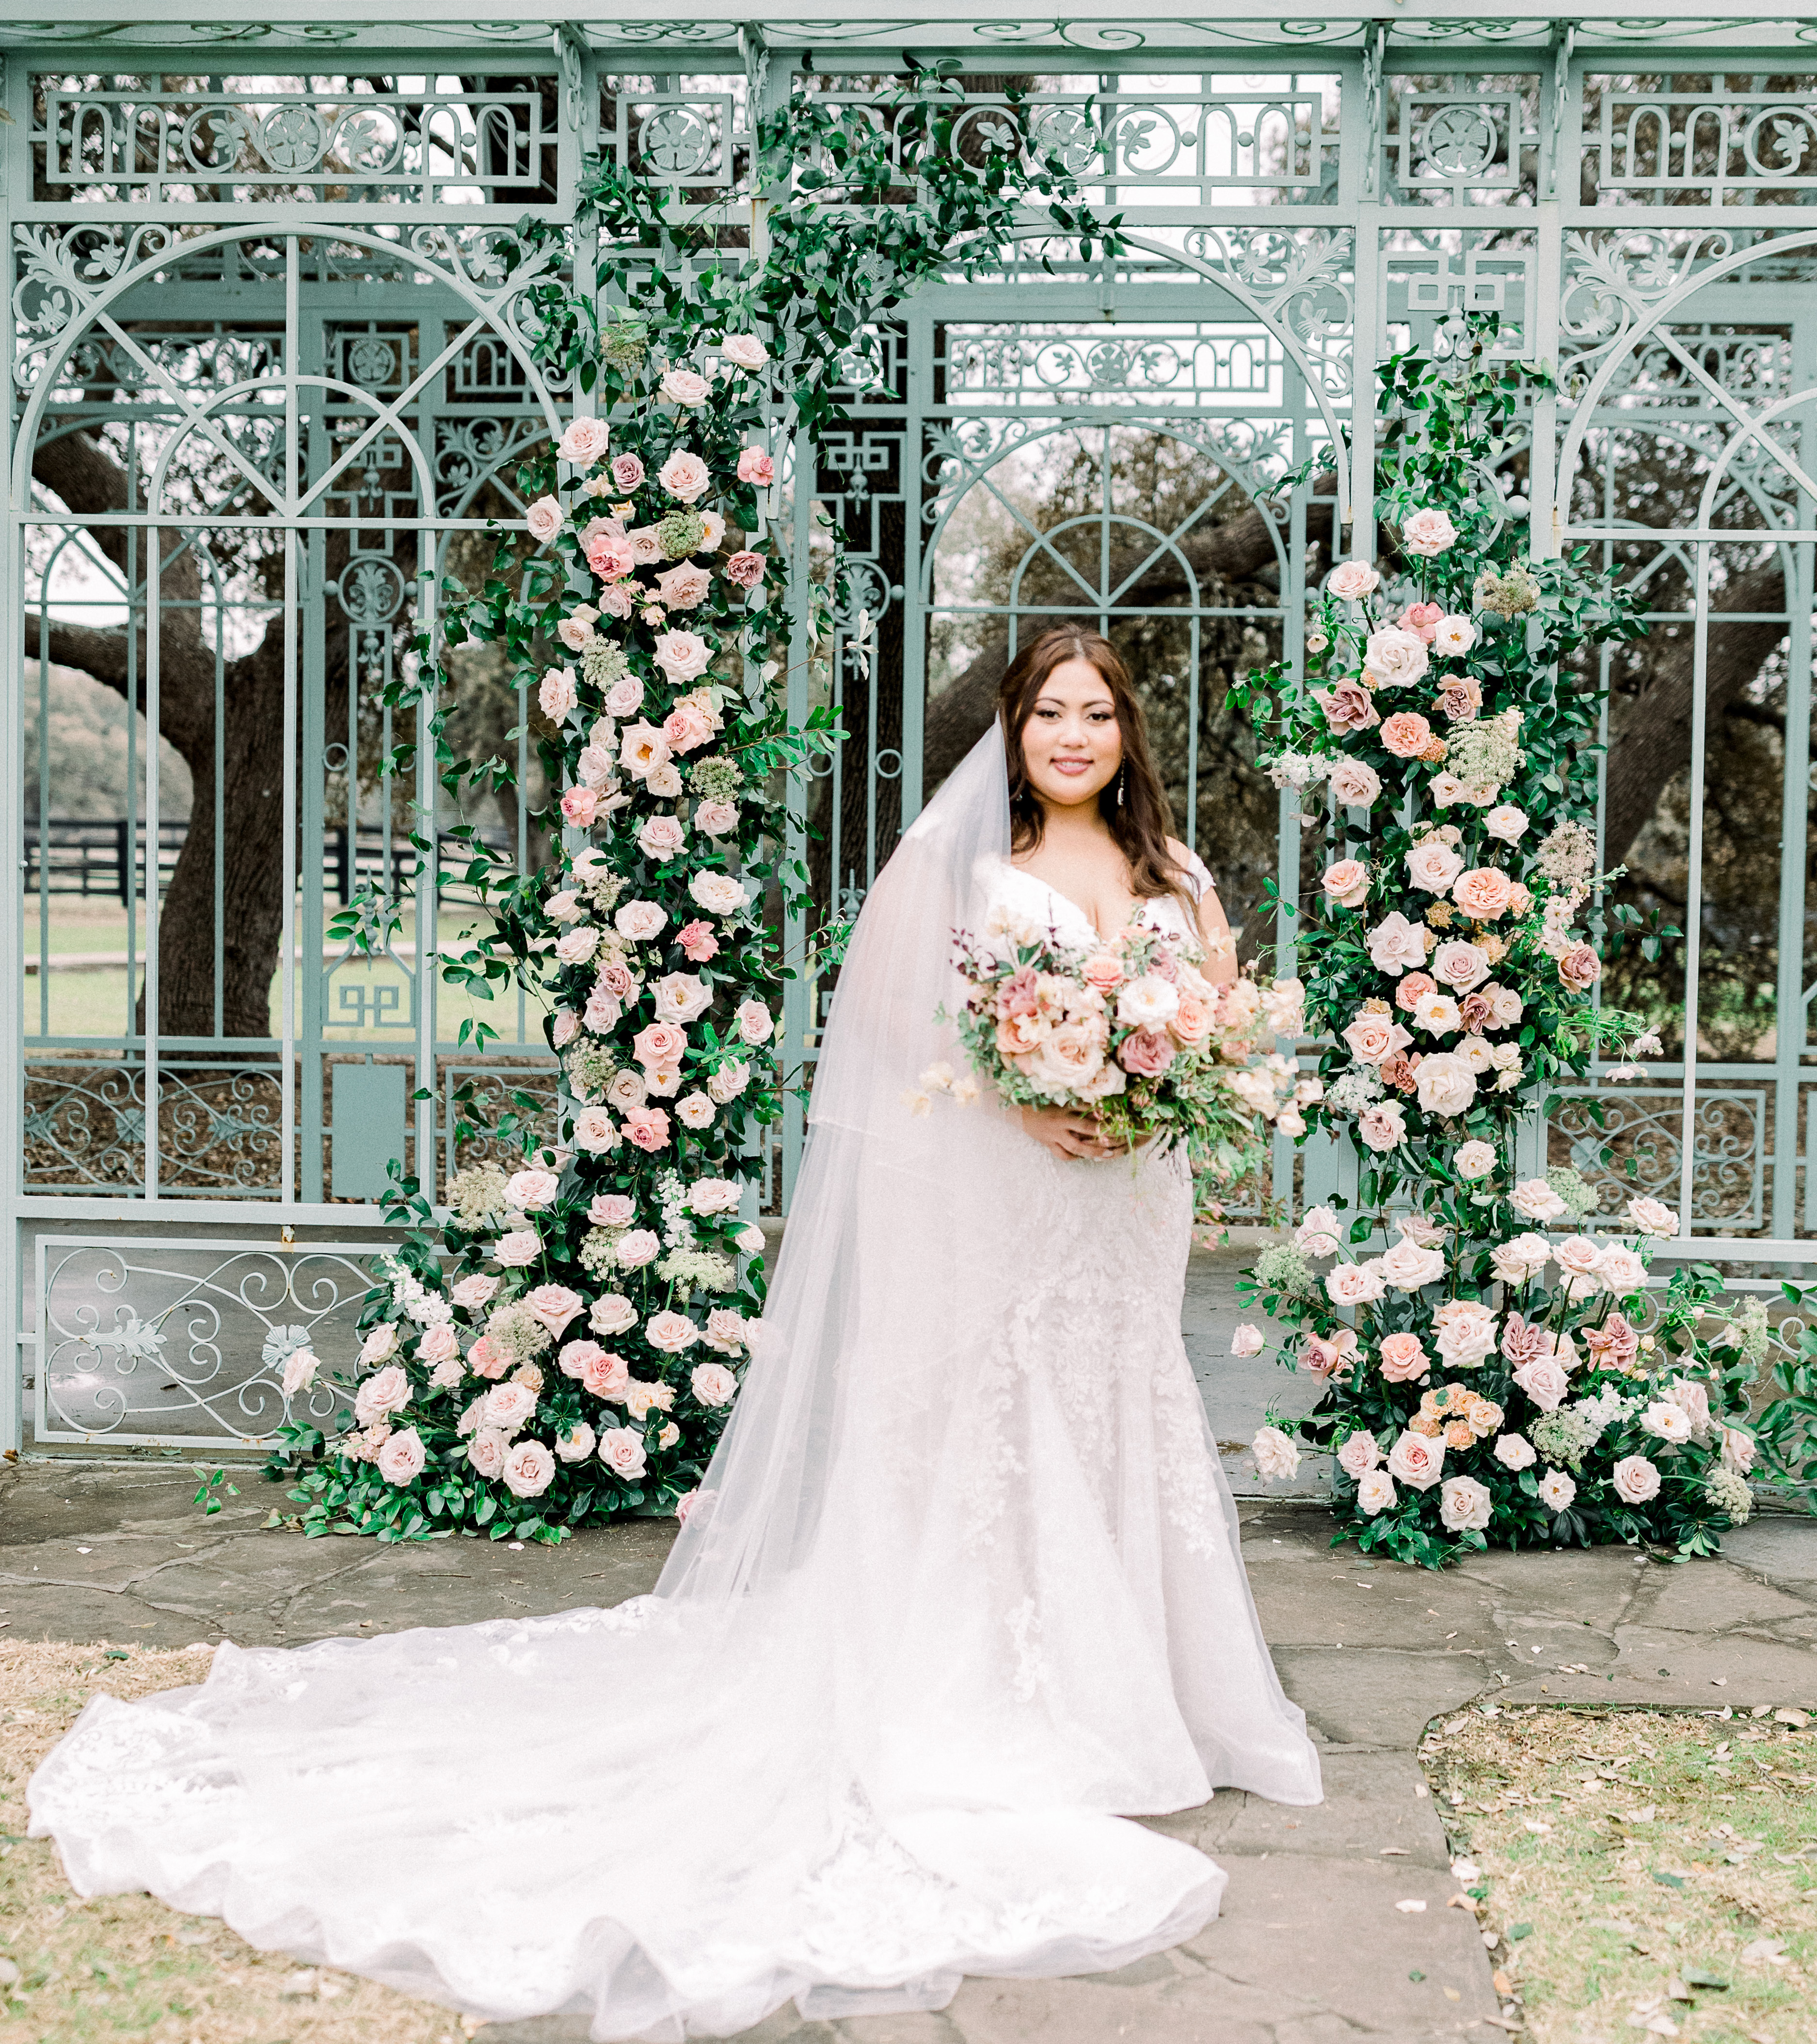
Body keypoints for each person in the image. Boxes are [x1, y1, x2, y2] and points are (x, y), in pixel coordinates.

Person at [29, 626, 1322, 2040]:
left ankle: (1138, 1685)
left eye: (1096, 715)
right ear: (1009, 731)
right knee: (998, 1433)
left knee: (1108, 1419)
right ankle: (1003, 1694)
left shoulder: (1174, 875)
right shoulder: (962, 870)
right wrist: (1029, 1098)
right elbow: (891, 1039)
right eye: (1046, 714)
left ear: (1128, 734)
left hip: (1122, 1209)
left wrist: (1157, 1086)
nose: (1072, 737)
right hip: (1010, 1196)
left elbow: (1220, 1026)